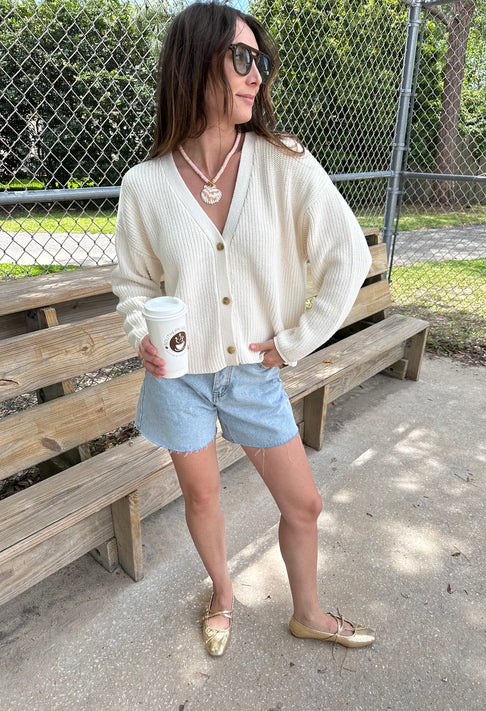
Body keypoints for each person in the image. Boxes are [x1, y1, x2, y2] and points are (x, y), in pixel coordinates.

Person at [112, 0, 375, 657]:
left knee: (304, 504)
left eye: (260, 60)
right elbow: (134, 285)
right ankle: (222, 592)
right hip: (178, 380)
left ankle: (307, 609)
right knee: (201, 500)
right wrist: (137, 329)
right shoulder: (145, 185)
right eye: (239, 57)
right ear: (192, 63)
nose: (255, 73)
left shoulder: (284, 162)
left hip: (254, 373)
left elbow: (349, 256)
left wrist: (293, 340)